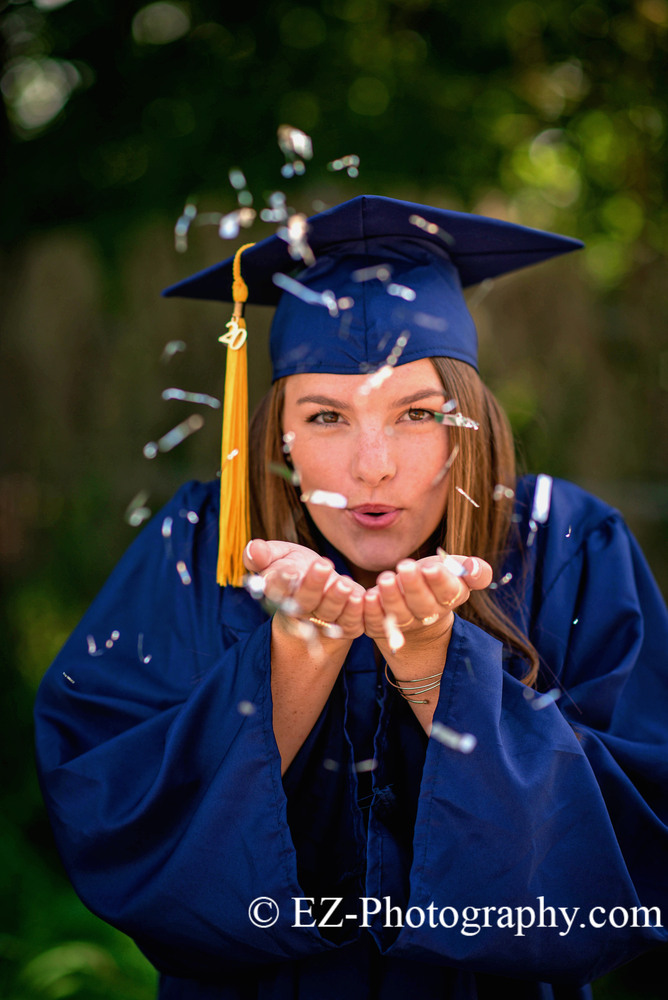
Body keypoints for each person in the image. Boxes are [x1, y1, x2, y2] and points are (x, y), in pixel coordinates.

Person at [34, 195, 668, 1000]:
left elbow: (637, 843)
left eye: (417, 413)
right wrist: (295, 655)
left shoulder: (565, 539)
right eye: (326, 414)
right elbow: (112, 809)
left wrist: (444, 676)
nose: (373, 466)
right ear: (276, 431)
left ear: (468, 420)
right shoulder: (201, 544)